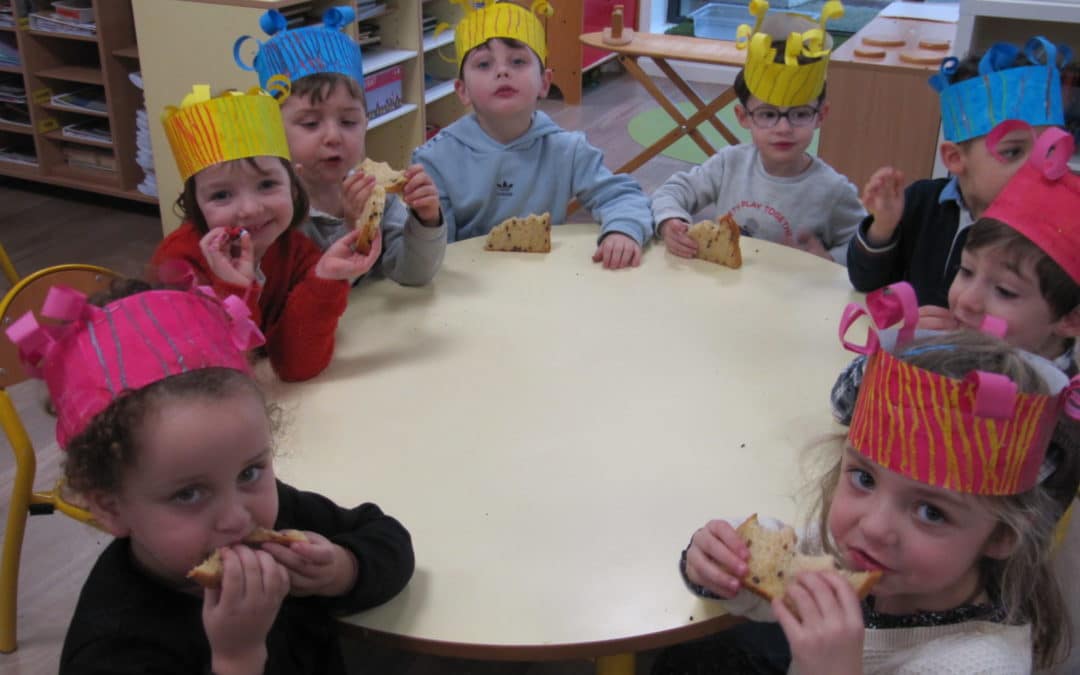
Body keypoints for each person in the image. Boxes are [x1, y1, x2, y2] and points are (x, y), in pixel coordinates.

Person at [2, 279, 414, 675]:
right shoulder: (112, 646)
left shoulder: (281, 514)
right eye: (188, 495)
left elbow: (388, 538)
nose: (237, 518)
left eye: (250, 472)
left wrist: (343, 569)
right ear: (111, 507)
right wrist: (238, 660)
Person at [677, 288, 1078, 674]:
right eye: (864, 478)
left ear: (1001, 536)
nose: (873, 526)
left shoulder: (978, 665)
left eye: (930, 512)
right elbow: (777, 588)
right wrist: (722, 564)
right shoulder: (854, 553)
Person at [152, 85, 380, 381]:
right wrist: (235, 291)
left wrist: (324, 278)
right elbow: (204, 377)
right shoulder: (178, 262)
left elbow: (296, 367)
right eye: (221, 195)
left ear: (294, 186)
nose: (249, 209)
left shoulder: (298, 251)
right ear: (195, 203)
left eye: (266, 185)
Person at [412, 0, 654, 270]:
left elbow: (622, 196)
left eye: (518, 61)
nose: (502, 71)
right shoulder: (435, 160)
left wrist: (622, 230)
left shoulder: (567, 150)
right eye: (483, 64)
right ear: (462, 91)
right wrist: (427, 220)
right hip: (467, 288)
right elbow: (429, 255)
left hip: (541, 284)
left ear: (545, 82)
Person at [848, 37, 1070, 307]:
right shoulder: (922, 203)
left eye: (1049, 150)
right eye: (1012, 152)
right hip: (912, 346)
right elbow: (866, 282)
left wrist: (965, 329)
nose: (1036, 167)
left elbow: (1050, 329)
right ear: (955, 158)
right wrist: (883, 228)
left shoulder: (1056, 229)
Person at [235, 7, 446, 285]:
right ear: (272, 131)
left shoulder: (376, 193)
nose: (333, 136)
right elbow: (291, 302)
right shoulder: (273, 211)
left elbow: (413, 274)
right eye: (310, 124)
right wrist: (352, 228)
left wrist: (426, 221)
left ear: (366, 123)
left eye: (348, 121)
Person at [652, 0, 863, 264]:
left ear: (821, 115)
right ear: (743, 117)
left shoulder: (834, 191)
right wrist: (671, 221)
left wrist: (829, 260)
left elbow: (863, 248)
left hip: (794, 298)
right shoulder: (729, 164)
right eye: (768, 114)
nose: (783, 128)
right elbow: (672, 192)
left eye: (799, 114)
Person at [916, 125, 1080, 373]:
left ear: (1071, 319)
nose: (967, 300)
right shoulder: (951, 350)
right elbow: (846, 399)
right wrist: (907, 351)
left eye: (1005, 291)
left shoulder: (1060, 404)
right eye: (966, 271)